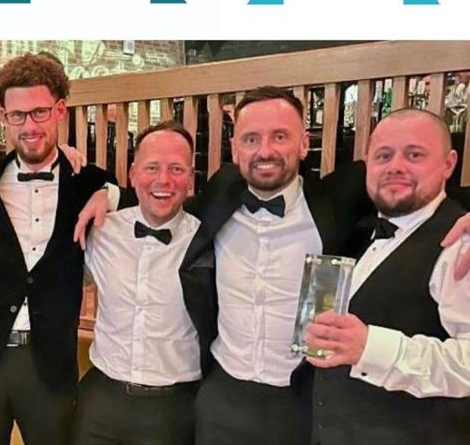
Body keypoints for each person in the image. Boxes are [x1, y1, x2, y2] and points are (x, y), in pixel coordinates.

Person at [76, 86, 470, 445]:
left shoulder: (339, 199)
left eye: (280, 136)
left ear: (304, 143)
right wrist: (111, 194)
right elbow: (164, 196)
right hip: (221, 397)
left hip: (301, 399)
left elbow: (414, 193)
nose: (265, 150)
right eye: (252, 139)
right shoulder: (220, 196)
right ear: (235, 149)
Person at [0, 53, 115, 445]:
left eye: (39, 112)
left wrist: (109, 194)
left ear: (59, 110)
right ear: (4, 118)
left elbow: (138, 198)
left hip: (50, 364)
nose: (29, 126)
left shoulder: (89, 182)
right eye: (18, 115)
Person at [303, 109, 470, 444]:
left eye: (414, 155)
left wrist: (372, 347)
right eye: (383, 156)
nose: (395, 166)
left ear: (448, 164)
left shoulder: (461, 245)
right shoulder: (360, 228)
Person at [72, 121, 202, 445]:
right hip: (101, 400)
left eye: (176, 168)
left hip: (174, 408)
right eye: (152, 167)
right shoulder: (101, 229)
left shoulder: (209, 239)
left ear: (191, 178)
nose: (163, 179)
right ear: (132, 173)